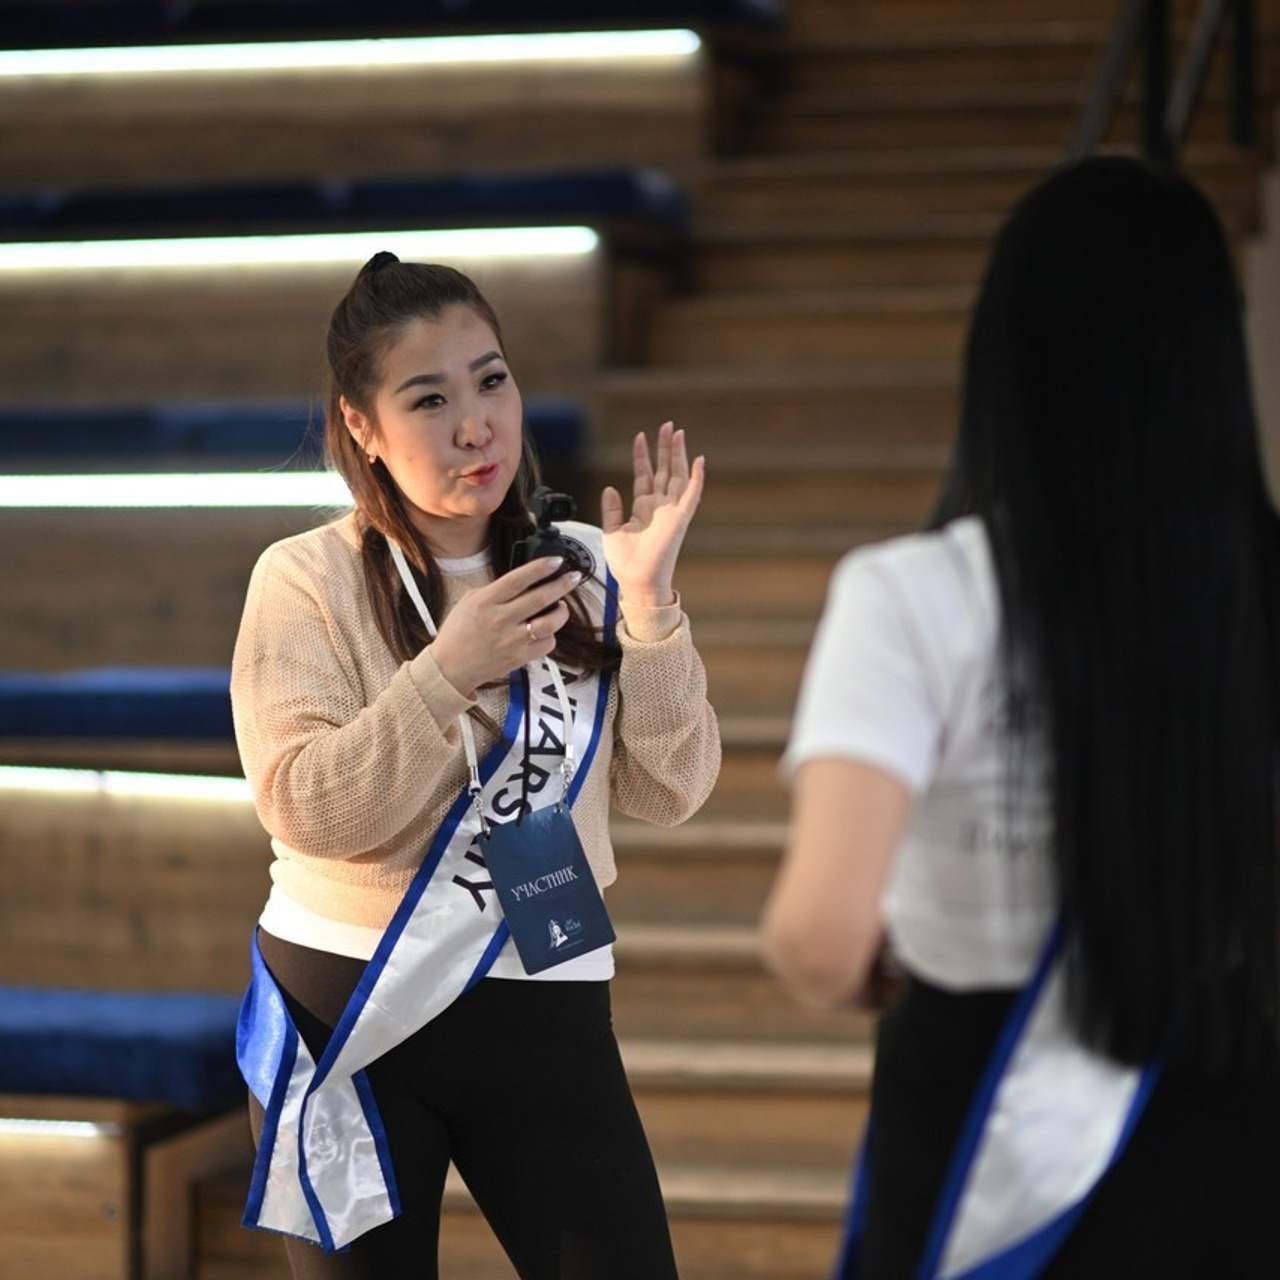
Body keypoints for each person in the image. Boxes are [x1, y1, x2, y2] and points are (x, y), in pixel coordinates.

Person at [761, 156, 1280, 1277]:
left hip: (984, 1136)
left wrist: (874, 967)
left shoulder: (916, 594)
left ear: (1005, 354)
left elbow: (818, 936)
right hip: (1244, 1127)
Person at [229, 252, 720, 1279]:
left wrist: (651, 609)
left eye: (491, 380)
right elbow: (305, 806)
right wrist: (445, 673)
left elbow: (669, 789)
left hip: (543, 981)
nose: (475, 424)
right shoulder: (304, 577)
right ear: (360, 424)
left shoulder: (587, 562)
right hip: (349, 1002)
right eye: (429, 398)